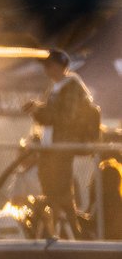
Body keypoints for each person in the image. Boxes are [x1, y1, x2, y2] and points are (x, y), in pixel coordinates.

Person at [27, 50, 102, 236]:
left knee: (61, 192)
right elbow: (50, 115)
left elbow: (64, 118)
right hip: (51, 148)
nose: (46, 69)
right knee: (50, 191)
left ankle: (73, 233)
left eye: (49, 65)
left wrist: (38, 110)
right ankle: (57, 231)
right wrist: (37, 110)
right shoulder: (55, 87)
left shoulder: (71, 86)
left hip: (62, 148)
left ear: (61, 66)